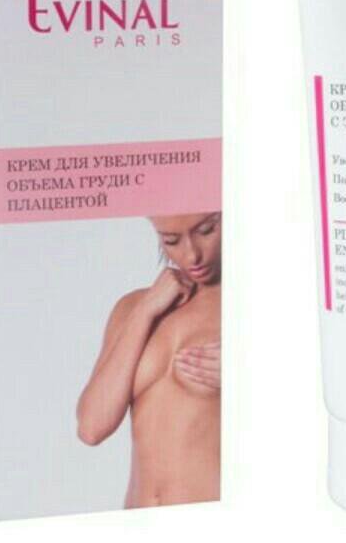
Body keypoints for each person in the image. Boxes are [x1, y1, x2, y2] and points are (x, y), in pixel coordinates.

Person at [77, 212, 222, 507]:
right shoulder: (133, 307)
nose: (192, 255)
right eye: (172, 240)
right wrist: (145, 312)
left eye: (206, 230)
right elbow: (91, 428)